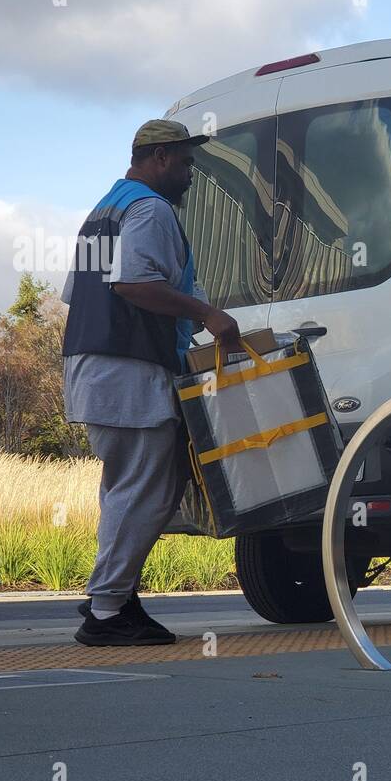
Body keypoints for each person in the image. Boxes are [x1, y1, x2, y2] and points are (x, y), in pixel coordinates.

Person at [61, 119, 240, 646]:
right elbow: (134, 283)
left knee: (128, 488)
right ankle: (108, 610)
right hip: (131, 367)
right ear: (160, 157)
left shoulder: (104, 210)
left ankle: (112, 594)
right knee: (149, 490)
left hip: (96, 365)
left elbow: (78, 292)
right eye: (185, 164)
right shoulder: (150, 209)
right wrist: (208, 314)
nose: (189, 176)